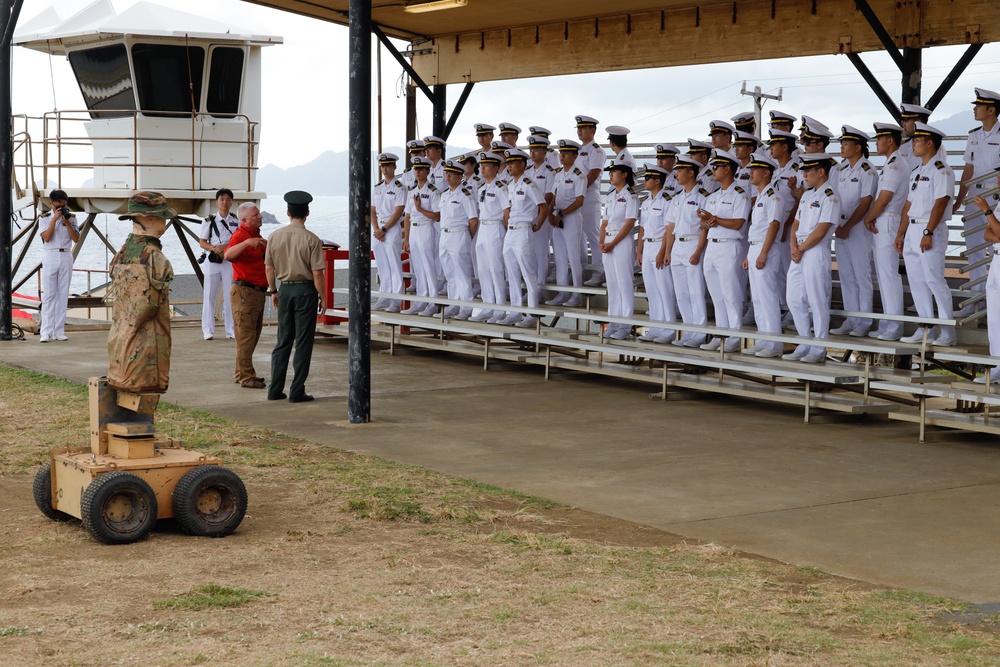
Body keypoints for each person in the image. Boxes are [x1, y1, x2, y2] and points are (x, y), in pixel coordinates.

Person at [107, 191, 175, 393]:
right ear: (150, 218)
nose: (165, 222)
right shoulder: (155, 257)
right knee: (143, 408)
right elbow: (150, 307)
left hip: (120, 351)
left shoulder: (121, 253)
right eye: (163, 216)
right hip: (146, 357)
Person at [896, 123, 957, 347]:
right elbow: (909, 204)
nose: (913, 144)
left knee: (934, 279)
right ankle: (926, 328)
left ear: (930, 143)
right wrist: (901, 233)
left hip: (930, 228)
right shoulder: (917, 171)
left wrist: (928, 231)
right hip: (913, 228)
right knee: (917, 281)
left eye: (917, 140)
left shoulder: (942, 170)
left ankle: (948, 332)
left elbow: (941, 203)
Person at [264, 191, 326, 403]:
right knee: (303, 342)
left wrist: (274, 291)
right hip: (305, 291)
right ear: (307, 213)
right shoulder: (312, 239)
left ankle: (275, 389)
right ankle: (297, 390)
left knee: (283, 341)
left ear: (288, 212)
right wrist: (323, 297)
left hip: (285, 290)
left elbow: (269, 268)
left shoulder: (274, 236)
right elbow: (317, 273)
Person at [784, 153, 840, 363]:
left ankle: (819, 347)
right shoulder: (807, 195)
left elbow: (822, 229)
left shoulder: (830, 195)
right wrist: (793, 245)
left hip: (815, 250)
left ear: (821, 172)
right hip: (799, 248)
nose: (804, 175)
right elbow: (796, 223)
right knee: (793, 297)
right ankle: (804, 341)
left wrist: (800, 248)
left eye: (808, 171)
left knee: (817, 300)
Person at [698, 150, 751, 352]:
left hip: (730, 245)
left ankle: (734, 336)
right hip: (712, 245)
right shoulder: (712, 197)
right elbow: (704, 224)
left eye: (717, 167)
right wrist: (707, 221)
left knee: (731, 293)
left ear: (727, 169)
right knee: (716, 295)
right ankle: (721, 334)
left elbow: (738, 223)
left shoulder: (740, 195)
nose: (713, 170)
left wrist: (715, 219)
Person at [953, 88, 1000, 316]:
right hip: (974, 198)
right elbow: (968, 170)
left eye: (978, 106)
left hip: (996, 197)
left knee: (997, 247)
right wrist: (958, 200)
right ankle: (976, 301)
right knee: (974, 251)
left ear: (991, 110)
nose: (974, 109)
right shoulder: (973, 135)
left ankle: (994, 300)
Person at [863, 122, 909, 341]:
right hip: (883, 221)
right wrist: (873, 217)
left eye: (879, 139)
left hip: (889, 221)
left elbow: (884, 198)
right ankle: (888, 322)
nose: (876, 142)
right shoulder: (890, 163)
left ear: (890, 140)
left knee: (889, 274)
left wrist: (869, 217)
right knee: (882, 275)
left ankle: (894, 326)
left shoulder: (895, 165)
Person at [830, 126, 878, 337]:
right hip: (840, 226)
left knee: (861, 275)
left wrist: (847, 227)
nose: (842, 146)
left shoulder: (867, 170)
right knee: (846, 276)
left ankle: (864, 321)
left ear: (858, 148)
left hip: (857, 228)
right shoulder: (839, 170)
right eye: (842, 143)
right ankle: (851, 318)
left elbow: (865, 202)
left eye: (846, 143)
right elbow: (832, 197)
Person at [742, 154, 785, 358]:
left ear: (766, 172)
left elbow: (774, 225)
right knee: (757, 298)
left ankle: (774, 343)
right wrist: (750, 254)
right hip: (755, 247)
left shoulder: (773, 196)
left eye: (755, 169)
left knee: (767, 297)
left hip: (765, 249)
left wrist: (764, 252)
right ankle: (762, 339)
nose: (751, 173)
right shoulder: (760, 196)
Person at [666, 155, 710, 348]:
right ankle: (688, 330)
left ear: (691, 173)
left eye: (680, 170)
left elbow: (704, 228)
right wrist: (668, 251)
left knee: (695, 291)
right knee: (681, 292)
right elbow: (670, 227)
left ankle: (699, 333)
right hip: (678, 246)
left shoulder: (703, 197)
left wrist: (698, 252)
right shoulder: (676, 199)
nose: (676, 174)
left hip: (693, 244)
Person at [500, 148, 546, 327]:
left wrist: (538, 225)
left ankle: (532, 315)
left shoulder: (529, 184)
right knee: (511, 273)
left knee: (528, 273)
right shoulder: (510, 185)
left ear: (521, 164)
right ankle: (515, 310)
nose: (509, 166)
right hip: (511, 231)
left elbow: (543, 207)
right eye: (508, 163)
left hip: (523, 230)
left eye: (512, 163)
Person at [225, 202, 268, 389]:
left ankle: (240, 373)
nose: (260, 216)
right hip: (245, 291)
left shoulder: (256, 235)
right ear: (243, 220)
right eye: (255, 215)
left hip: (256, 292)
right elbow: (228, 255)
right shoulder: (241, 235)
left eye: (259, 214)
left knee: (250, 336)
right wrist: (246, 243)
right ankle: (247, 377)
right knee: (246, 336)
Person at [636, 164, 676, 343]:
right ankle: (655, 327)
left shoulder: (667, 200)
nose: (644, 181)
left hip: (660, 245)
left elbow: (669, 229)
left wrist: (663, 252)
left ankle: (668, 330)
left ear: (657, 181)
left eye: (647, 178)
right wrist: (639, 250)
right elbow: (642, 228)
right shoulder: (646, 202)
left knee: (664, 290)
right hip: (648, 247)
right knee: (652, 290)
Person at [546, 139, 587, 308]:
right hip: (557, 217)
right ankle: (563, 293)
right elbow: (555, 197)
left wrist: (561, 214)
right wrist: (550, 212)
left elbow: (579, 201)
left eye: (566, 153)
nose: (561, 156)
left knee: (573, 256)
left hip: (570, 218)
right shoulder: (559, 174)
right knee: (560, 257)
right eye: (561, 153)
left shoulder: (579, 176)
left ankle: (577, 294)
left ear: (575, 156)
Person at [601, 159, 639, 340]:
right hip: (609, 240)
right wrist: (602, 242)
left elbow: (629, 223)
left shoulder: (630, 195)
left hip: (621, 241)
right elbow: (605, 222)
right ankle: (613, 322)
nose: (611, 174)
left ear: (624, 174)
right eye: (610, 172)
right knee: (613, 285)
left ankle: (625, 324)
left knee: (624, 283)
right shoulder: (610, 196)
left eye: (614, 172)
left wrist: (612, 243)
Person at [437, 159, 479, 320]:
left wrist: (467, 237)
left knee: (462, 272)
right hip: (445, 234)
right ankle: (454, 304)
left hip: (459, 234)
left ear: (459, 176)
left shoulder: (465, 195)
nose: (447, 177)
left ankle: (466, 307)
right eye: (446, 173)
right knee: (450, 272)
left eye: (451, 174)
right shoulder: (445, 195)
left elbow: (473, 220)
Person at [470, 151, 509, 323]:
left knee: (496, 269)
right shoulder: (482, 189)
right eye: (481, 165)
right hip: (483, 228)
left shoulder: (501, 188)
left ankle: (499, 308)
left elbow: (507, 212)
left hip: (495, 228)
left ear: (495, 167)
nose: (482, 168)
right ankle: (487, 305)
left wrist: (507, 233)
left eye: (486, 165)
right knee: (483, 269)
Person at [401, 156, 441, 317]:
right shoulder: (412, 191)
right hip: (415, 231)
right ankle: (421, 301)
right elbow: (407, 216)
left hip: (427, 228)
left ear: (427, 171)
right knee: (418, 267)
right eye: (415, 169)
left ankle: (433, 301)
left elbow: (437, 216)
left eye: (420, 169)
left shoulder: (433, 191)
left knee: (428, 266)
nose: (416, 172)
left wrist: (420, 208)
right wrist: (406, 238)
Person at [38, 188, 79, 343]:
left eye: (63, 206)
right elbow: (46, 238)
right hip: (50, 254)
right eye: (57, 206)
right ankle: (46, 332)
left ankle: (59, 331)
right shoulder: (44, 218)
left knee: (63, 293)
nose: (60, 209)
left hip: (66, 254)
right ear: (51, 204)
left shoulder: (72, 218)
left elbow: (76, 239)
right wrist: (54, 219)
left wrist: (67, 222)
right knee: (49, 294)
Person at [971, 169, 1000, 383]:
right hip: (997, 258)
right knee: (995, 316)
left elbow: (997, 232)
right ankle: (997, 363)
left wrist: (986, 210)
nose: (998, 179)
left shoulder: (992, 206)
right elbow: (988, 234)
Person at [198, 188, 239, 340]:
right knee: (209, 295)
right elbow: (202, 242)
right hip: (213, 260)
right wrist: (215, 248)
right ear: (217, 202)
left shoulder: (235, 220)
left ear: (231, 202)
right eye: (222, 199)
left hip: (229, 261)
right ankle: (207, 330)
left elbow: (237, 241)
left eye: (228, 199)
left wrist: (225, 248)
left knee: (230, 295)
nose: (224, 202)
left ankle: (231, 329)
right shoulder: (208, 220)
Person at [371, 152, 406, 313]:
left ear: (394, 167)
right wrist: (376, 229)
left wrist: (384, 229)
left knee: (394, 264)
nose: (384, 169)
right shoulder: (377, 188)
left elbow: (399, 211)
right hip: (378, 228)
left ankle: (396, 300)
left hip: (391, 228)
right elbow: (372, 210)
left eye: (387, 166)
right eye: (382, 166)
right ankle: (384, 297)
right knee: (382, 264)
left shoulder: (399, 188)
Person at [576, 115, 607, 287]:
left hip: (589, 196)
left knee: (593, 235)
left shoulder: (597, 150)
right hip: (577, 197)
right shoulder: (578, 150)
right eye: (578, 128)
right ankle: (582, 269)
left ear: (592, 131)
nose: (579, 131)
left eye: (583, 128)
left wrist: (579, 190)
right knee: (578, 235)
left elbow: (593, 174)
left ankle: (598, 271)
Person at [526, 134, 556, 289]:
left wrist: (538, 211)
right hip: (528, 216)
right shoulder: (527, 172)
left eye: (536, 150)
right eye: (531, 150)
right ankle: (533, 285)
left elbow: (549, 195)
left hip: (541, 216)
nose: (532, 153)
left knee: (541, 252)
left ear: (545, 152)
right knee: (530, 252)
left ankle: (540, 285)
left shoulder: (550, 172)